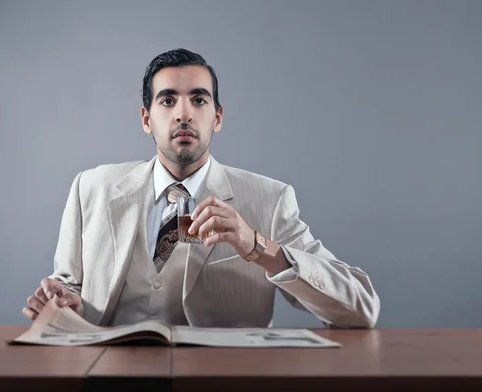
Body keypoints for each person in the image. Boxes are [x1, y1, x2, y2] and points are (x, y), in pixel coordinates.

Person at [22, 48, 380, 329]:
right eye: (167, 100)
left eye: (198, 99)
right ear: (147, 119)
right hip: (108, 376)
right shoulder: (91, 188)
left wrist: (256, 245)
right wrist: (63, 302)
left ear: (217, 117)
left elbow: (361, 309)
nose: (184, 114)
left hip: (220, 381)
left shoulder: (270, 200)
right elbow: (68, 286)